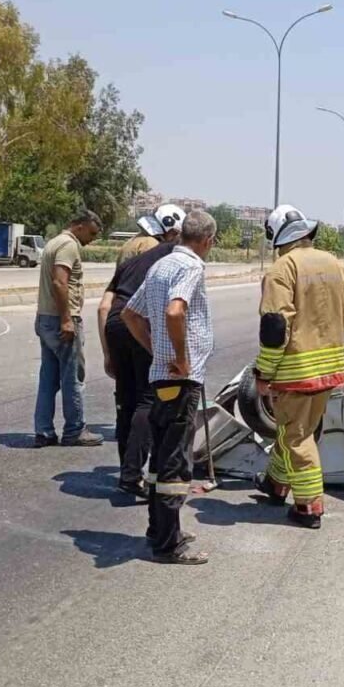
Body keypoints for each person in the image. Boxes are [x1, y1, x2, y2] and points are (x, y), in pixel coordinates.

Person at [121, 210, 216, 564]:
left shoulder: (160, 265)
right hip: (180, 379)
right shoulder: (190, 266)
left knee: (160, 459)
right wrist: (180, 357)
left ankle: (160, 529)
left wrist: (156, 350)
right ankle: (168, 545)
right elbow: (176, 311)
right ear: (207, 241)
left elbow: (130, 314)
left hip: (161, 376)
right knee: (175, 463)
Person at [253, 204, 344, 529]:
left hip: (296, 371)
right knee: (296, 429)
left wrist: (264, 372)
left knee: (296, 437)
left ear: (276, 235)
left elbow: (275, 328)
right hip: (329, 366)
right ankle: (275, 484)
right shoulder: (335, 264)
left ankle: (309, 506)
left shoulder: (282, 268)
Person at [97, 204, 185, 495]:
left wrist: (108, 353)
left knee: (126, 401)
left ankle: (128, 471)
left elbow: (104, 307)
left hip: (115, 325)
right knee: (148, 400)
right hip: (137, 322)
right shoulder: (174, 257)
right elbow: (172, 306)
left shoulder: (130, 261)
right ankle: (133, 473)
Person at [33, 209, 105, 448]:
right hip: (61, 320)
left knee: (48, 379)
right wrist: (66, 319)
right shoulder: (68, 245)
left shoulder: (54, 242)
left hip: (46, 318)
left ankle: (44, 431)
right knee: (73, 377)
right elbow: (59, 281)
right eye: (91, 234)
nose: (91, 240)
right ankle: (75, 430)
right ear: (79, 226)